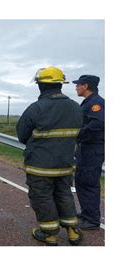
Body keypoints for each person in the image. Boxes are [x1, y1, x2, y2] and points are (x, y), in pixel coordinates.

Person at [16, 66, 84, 246]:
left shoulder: (36, 108)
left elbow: (22, 135)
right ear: (61, 84)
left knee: (42, 197)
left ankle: (49, 234)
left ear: (41, 86)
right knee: (64, 194)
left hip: (40, 166)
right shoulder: (76, 108)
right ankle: (72, 231)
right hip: (65, 165)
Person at [73, 75, 105, 230]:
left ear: (85, 86)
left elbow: (97, 125)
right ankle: (87, 213)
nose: (76, 87)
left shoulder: (96, 103)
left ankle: (92, 220)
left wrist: (78, 136)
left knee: (89, 182)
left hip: (92, 148)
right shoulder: (89, 102)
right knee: (82, 180)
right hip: (86, 148)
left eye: (78, 85)